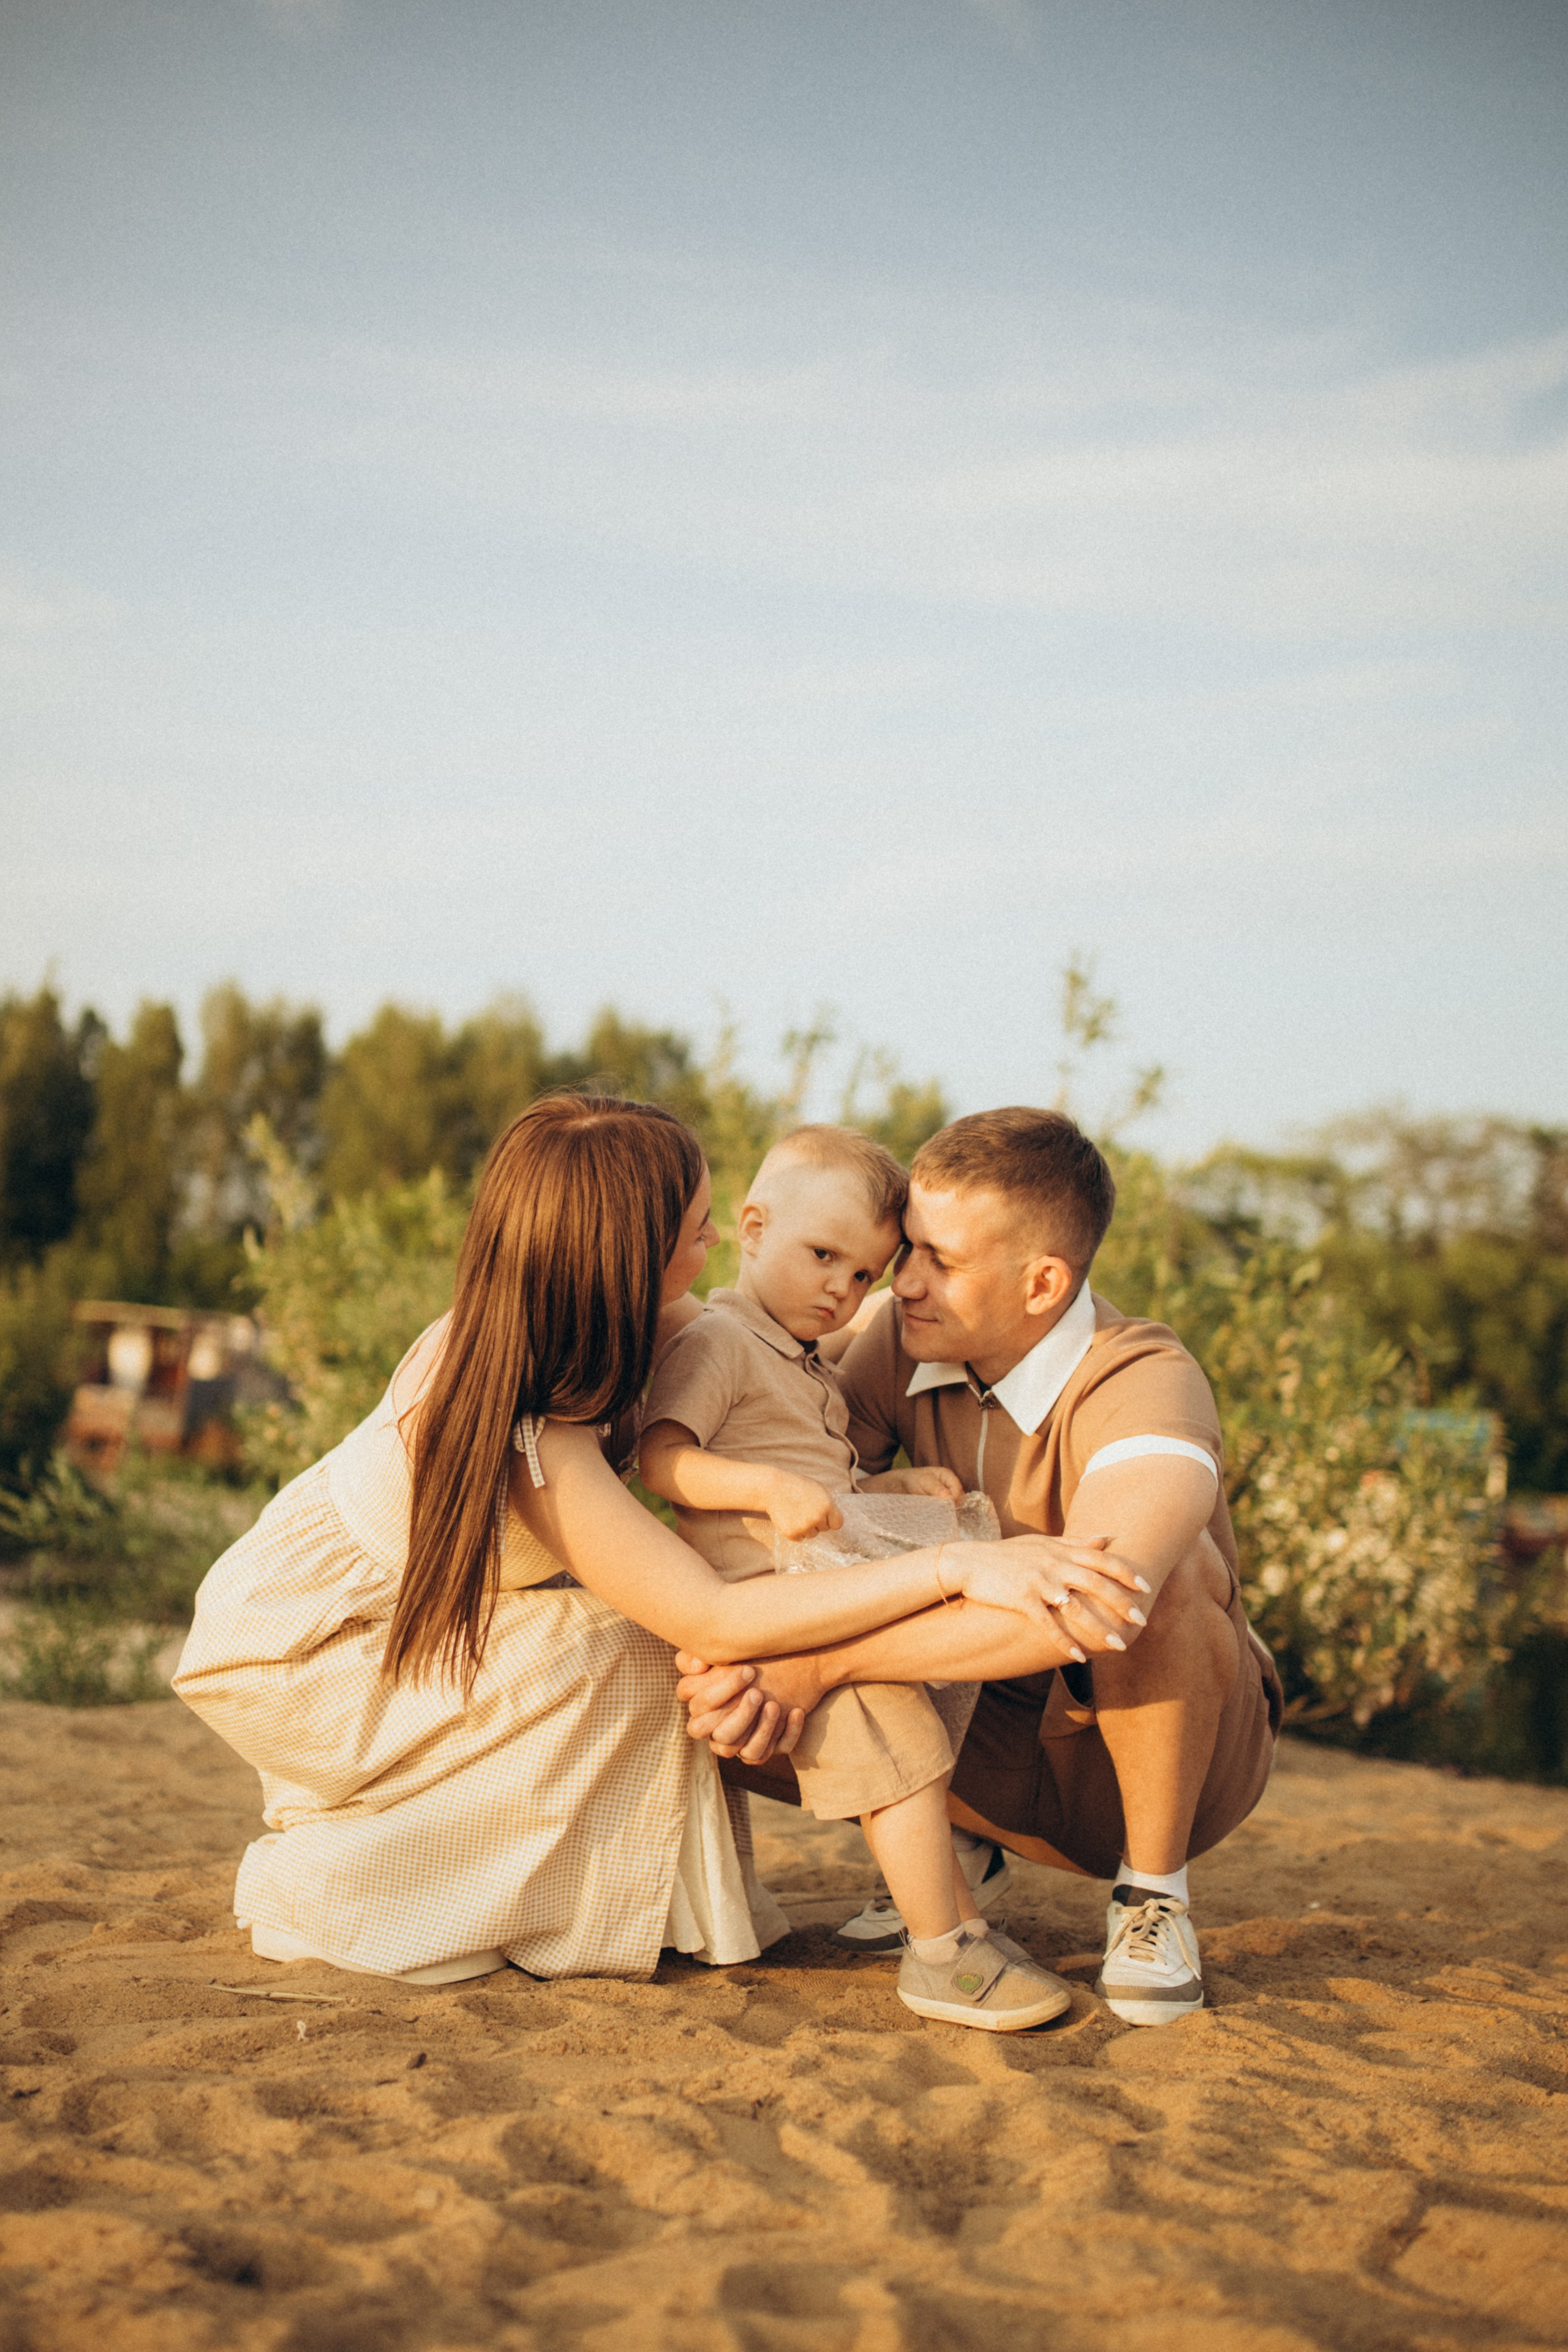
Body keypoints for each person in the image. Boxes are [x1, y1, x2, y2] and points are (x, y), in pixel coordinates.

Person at [175, 1094, 1123, 2018]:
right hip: (307, 1643)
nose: (720, 1247)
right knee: (652, 1652)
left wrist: (993, 1298)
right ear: (632, 1248)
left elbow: (786, 1334)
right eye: (705, 1228)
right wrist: (951, 1572)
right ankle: (392, 1880)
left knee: (648, 1645)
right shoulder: (532, 1418)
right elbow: (709, 1613)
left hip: (416, 1612)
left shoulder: (630, 1322)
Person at [674, 1107, 1285, 2027]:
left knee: (1161, 1574)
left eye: (940, 1262)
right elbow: (763, 1406)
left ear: (1043, 1283)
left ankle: (1153, 1898)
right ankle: (957, 1844)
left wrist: (823, 1660)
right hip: (981, 1737)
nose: (902, 1285)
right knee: (709, 1649)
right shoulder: (892, 1338)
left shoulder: (1144, 1379)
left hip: (1134, 1767)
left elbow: (1095, 1606)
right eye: (905, 1252)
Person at [641, 1126, 1116, 2029]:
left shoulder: (804, 1361)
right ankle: (944, 1950)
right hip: (767, 1598)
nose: (842, 1290)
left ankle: (951, 1898)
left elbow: (823, 1485)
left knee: (955, 1563)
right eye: (823, 1258)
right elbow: (664, 1460)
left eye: (864, 1276)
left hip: (816, 1578)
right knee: (888, 1724)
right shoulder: (720, 1340)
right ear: (750, 1227)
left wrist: (883, 1487)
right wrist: (761, 1487)